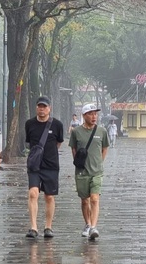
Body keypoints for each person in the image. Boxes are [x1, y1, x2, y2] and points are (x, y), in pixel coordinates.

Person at [24, 96, 64, 239]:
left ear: (49, 108)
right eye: (39, 106)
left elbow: (58, 143)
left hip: (51, 165)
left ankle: (48, 227)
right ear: (36, 107)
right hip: (35, 166)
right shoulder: (29, 124)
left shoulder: (57, 125)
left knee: (49, 196)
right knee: (33, 193)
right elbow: (30, 142)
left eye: (44, 107)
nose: (42, 109)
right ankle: (33, 227)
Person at [69, 103, 109, 240]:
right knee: (84, 200)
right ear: (84, 115)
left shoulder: (102, 131)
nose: (94, 116)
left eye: (95, 114)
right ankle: (87, 223)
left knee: (94, 198)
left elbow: (105, 148)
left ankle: (93, 227)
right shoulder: (76, 132)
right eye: (91, 114)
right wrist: (79, 163)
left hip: (96, 171)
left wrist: (99, 162)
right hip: (81, 172)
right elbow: (73, 149)